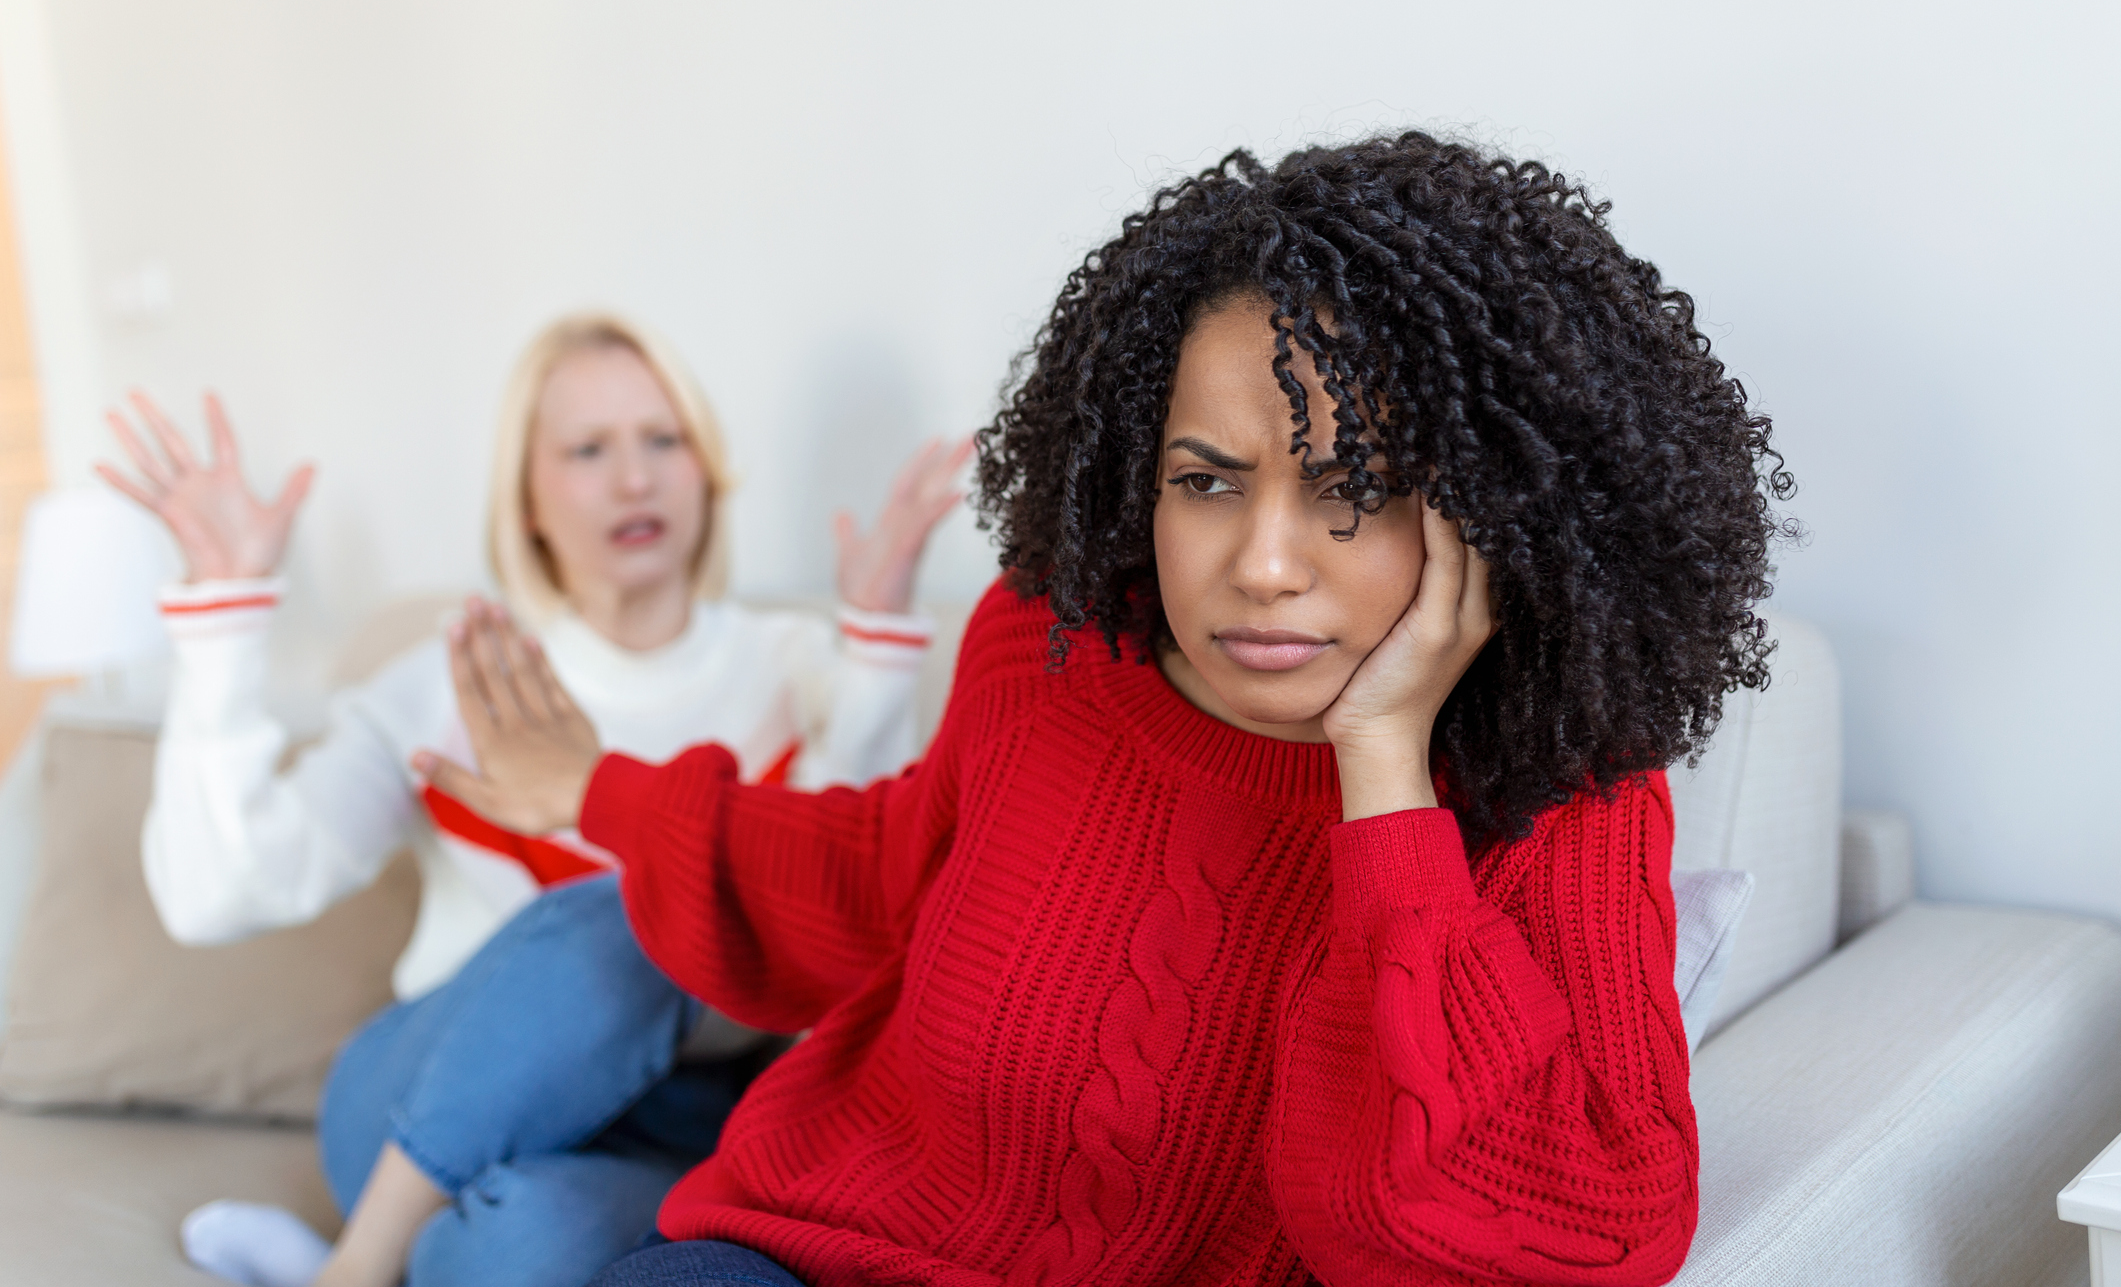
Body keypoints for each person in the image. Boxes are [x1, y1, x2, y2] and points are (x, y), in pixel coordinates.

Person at [423, 133, 1792, 1287]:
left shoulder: (1568, 788)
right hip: (810, 1256)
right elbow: (885, 870)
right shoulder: (1046, 642)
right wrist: (595, 789)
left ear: (1488, 512)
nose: (1263, 562)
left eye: (1354, 489)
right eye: (1206, 481)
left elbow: (1566, 1230)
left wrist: (1385, 774)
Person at [98, 313, 971, 1287]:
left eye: (664, 439)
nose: (635, 479)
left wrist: (877, 659)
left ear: (706, 472)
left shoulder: (798, 667)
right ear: (527, 503)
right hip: (413, 1094)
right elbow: (219, 895)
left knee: (528, 1246)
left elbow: (849, 930)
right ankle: (362, 1263)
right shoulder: (451, 675)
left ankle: (340, 1269)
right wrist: (222, 623)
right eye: (588, 450)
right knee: (639, 904)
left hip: (671, 1122)